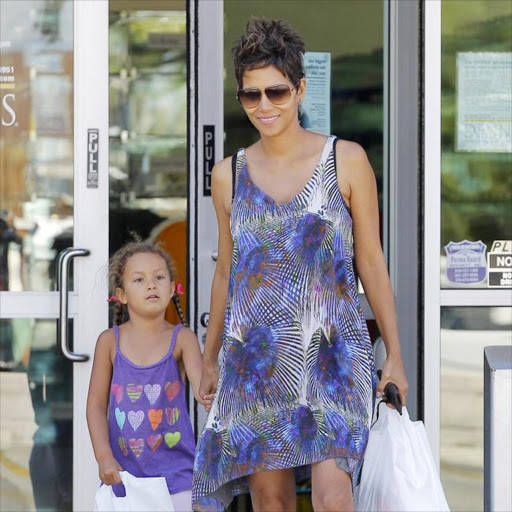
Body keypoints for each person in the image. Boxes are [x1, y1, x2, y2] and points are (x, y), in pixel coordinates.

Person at [193, 17, 408, 512]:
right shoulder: (227, 175)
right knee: (271, 504)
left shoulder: (346, 159)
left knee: (335, 498)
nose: (264, 106)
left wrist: (393, 352)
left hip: (334, 354)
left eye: (277, 91)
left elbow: (371, 263)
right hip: (257, 359)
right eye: (251, 95)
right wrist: (209, 357)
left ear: (301, 88)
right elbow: (227, 270)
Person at [86, 241, 212, 512]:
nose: (151, 285)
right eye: (139, 279)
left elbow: (205, 391)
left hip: (178, 479)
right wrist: (103, 456)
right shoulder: (109, 342)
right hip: (125, 478)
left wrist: (214, 393)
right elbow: (95, 405)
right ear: (121, 295)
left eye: (159, 277)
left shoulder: (183, 338)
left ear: (172, 289)